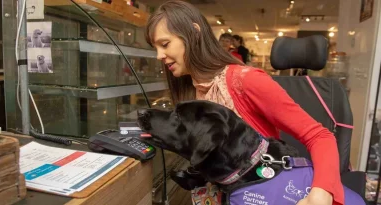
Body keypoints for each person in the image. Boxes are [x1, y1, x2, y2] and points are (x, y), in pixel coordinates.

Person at [144, 1, 343, 205]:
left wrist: (321, 193)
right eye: (155, 48)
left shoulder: (246, 80)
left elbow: (319, 135)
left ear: (194, 33)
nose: (159, 55)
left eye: (165, 44)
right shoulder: (190, 89)